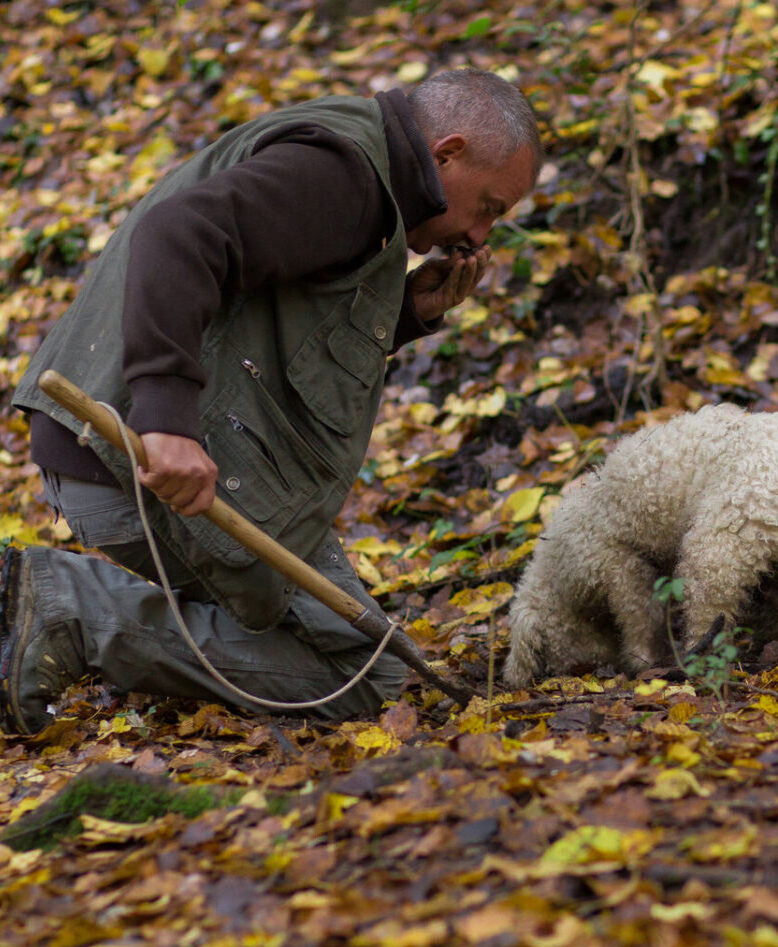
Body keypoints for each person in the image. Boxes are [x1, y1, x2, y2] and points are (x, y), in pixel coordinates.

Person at [1, 68, 542, 735]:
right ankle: (70, 609)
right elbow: (179, 236)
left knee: (355, 652)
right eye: (487, 207)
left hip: (144, 450)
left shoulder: (363, 163)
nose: (480, 237)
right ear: (448, 153)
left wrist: (404, 312)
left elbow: (274, 315)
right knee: (362, 678)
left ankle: (90, 616)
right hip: (129, 459)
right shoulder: (346, 179)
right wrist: (165, 419)